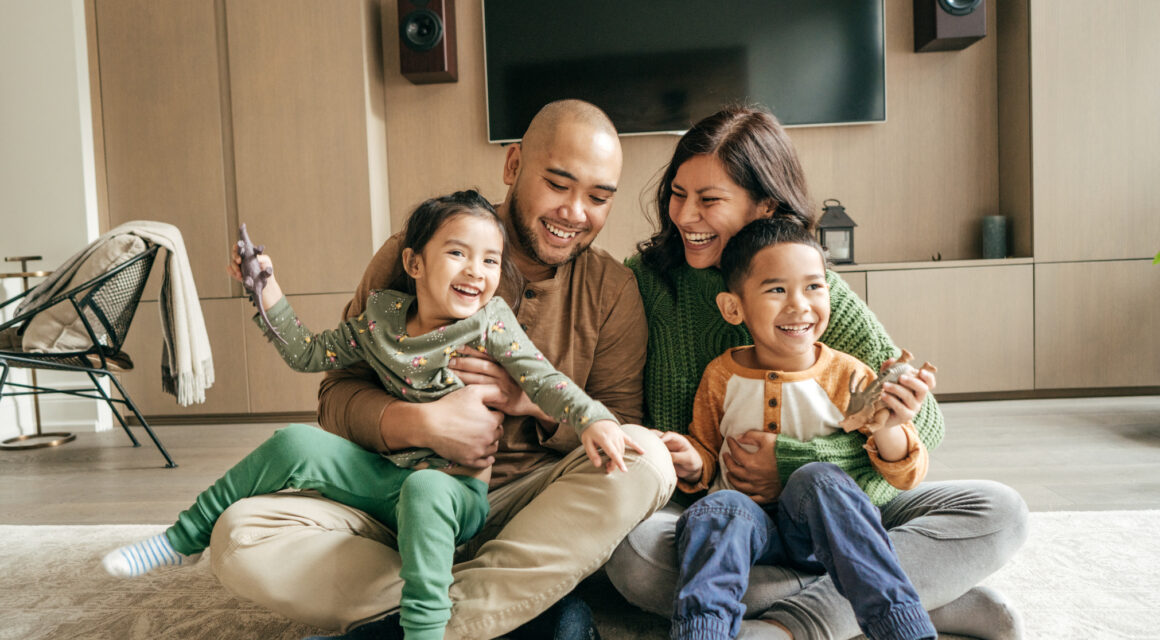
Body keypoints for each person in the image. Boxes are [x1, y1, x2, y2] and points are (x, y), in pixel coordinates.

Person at [204, 100, 677, 640]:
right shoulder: (416, 252)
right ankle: (513, 613)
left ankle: (408, 623)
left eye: (598, 197)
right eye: (558, 184)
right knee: (240, 536)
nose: (574, 212)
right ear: (513, 165)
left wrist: (527, 401)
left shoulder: (612, 291)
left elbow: (619, 422)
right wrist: (421, 425)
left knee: (647, 459)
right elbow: (335, 395)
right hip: (396, 501)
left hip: (523, 512)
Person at [101, 190, 645, 640]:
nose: (476, 272)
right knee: (293, 442)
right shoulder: (382, 318)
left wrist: (594, 418)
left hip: (454, 494)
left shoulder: (490, 323)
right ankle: (178, 541)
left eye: (490, 261)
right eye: (458, 254)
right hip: (386, 481)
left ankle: (424, 631)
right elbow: (311, 354)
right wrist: (266, 291)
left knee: (427, 491)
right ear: (414, 263)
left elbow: (543, 378)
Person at [606, 104, 1029, 640]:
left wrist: (793, 462)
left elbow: (925, 430)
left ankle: (788, 627)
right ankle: (929, 597)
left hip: (835, 505)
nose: (684, 216)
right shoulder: (647, 282)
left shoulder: (814, 292)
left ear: (765, 207)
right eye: (677, 193)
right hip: (720, 518)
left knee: (1000, 511)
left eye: (709, 200)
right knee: (633, 560)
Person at [666, 217, 936, 640]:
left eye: (814, 286)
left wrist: (892, 426)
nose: (799, 305)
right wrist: (690, 462)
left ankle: (904, 628)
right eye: (777, 290)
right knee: (719, 510)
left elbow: (905, 474)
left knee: (820, 479)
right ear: (733, 308)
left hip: (823, 533)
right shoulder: (721, 375)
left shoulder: (848, 376)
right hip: (748, 534)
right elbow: (705, 448)